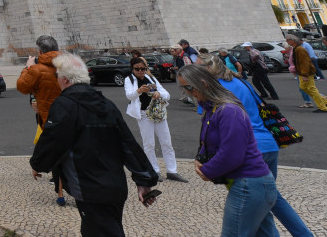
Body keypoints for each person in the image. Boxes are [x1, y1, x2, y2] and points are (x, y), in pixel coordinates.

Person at [31, 54, 160, 236]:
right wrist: (143, 179)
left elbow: (52, 140)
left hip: (89, 186)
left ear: (65, 79)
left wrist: (37, 164)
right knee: (97, 229)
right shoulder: (106, 104)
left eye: (57, 76)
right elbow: (127, 143)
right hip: (114, 186)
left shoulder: (64, 104)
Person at [199, 55, 313, 236]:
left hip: (247, 148)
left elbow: (209, 120)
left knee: (260, 199)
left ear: (207, 70)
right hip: (268, 143)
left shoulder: (214, 88)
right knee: (267, 199)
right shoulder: (240, 80)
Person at [177, 65, 279, 236]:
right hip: (252, 184)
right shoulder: (213, 109)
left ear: (203, 83)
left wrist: (207, 171)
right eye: (183, 88)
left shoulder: (228, 110)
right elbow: (208, 141)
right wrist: (200, 158)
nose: (187, 92)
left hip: (249, 184)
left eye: (188, 87)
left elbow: (232, 154)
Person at [16, 34, 66, 205]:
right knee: (69, 152)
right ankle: (70, 189)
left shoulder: (36, 69)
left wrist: (28, 67)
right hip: (70, 115)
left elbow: (22, 86)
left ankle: (60, 192)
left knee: (56, 153)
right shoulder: (68, 64)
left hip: (49, 117)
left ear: (40, 51)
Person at [123, 57, 187, 182]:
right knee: (149, 144)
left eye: (143, 69)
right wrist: (139, 91)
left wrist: (159, 93)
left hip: (157, 113)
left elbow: (166, 94)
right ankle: (155, 170)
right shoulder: (129, 79)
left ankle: (172, 171)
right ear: (132, 69)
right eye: (137, 69)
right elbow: (129, 96)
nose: (141, 71)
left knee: (167, 142)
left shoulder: (151, 78)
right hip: (143, 114)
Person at [285, 33, 327, 112]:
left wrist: (305, 74)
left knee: (311, 89)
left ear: (292, 40)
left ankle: (323, 107)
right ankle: (324, 102)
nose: (286, 41)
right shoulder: (296, 48)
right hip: (302, 72)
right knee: (303, 87)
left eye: (287, 40)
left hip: (306, 72)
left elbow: (304, 62)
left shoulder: (299, 49)